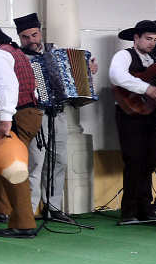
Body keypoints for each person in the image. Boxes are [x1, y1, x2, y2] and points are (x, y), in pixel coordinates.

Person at [14, 13, 99, 222]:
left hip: (59, 113)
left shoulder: (56, 53)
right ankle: (28, 212)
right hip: (35, 114)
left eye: (34, 35)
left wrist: (88, 71)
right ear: (19, 37)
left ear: (40, 33)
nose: (31, 40)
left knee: (58, 160)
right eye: (25, 37)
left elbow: (73, 79)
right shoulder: (18, 57)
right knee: (36, 163)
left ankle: (52, 207)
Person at [0, 22, 43, 238]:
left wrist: (6, 118)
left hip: (16, 116)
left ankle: (23, 224)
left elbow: (7, 87)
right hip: (27, 113)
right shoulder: (14, 52)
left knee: (13, 168)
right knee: (1, 161)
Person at [108, 20, 156, 225]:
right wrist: (146, 88)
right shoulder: (123, 56)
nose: (152, 43)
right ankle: (129, 211)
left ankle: (145, 208)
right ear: (136, 38)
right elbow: (116, 76)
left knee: (149, 160)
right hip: (129, 114)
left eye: (155, 40)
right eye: (148, 38)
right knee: (133, 159)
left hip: (151, 114)